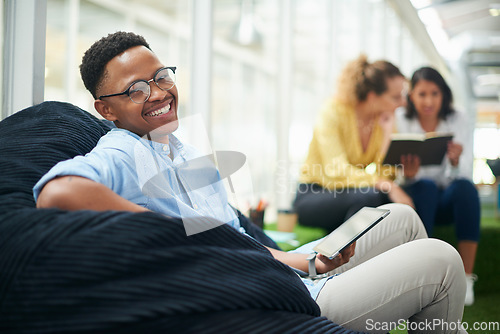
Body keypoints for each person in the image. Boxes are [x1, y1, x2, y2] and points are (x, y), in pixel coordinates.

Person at [33, 32, 468, 333]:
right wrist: (161, 226)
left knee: (402, 218)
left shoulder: (179, 146)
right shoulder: (123, 150)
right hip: (271, 296)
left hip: (279, 270)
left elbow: (228, 236)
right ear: (106, 110)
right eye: (135, 90)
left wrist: (305, 261)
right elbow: (58, 191)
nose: (159, 93)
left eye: (162, 76)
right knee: (441, 259)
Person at [294, 55, 414, 233]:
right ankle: (345, 258)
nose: (403, 103)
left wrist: (388, 134)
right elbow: (336, 170)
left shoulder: (384, 120)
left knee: (381, 197)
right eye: (396, 97)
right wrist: (386, 184)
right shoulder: (332, 111)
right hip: (314, 194)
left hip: (352, 194)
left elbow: (386, 175)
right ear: (373, 97)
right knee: (372, 196)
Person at [395, 66, 480, 306]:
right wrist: (409, 176)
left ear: (443, 94)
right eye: (422, 94)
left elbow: (463, 173)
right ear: (411, 95)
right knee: (426, 187)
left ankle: (466, 279)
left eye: (434, 93)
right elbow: (396, 171)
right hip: (418, 194)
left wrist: (454, 162)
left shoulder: (457, 118)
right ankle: (421, 276)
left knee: (465, 188)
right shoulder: (401, 118)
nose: (428, 101)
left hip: (446, 194)